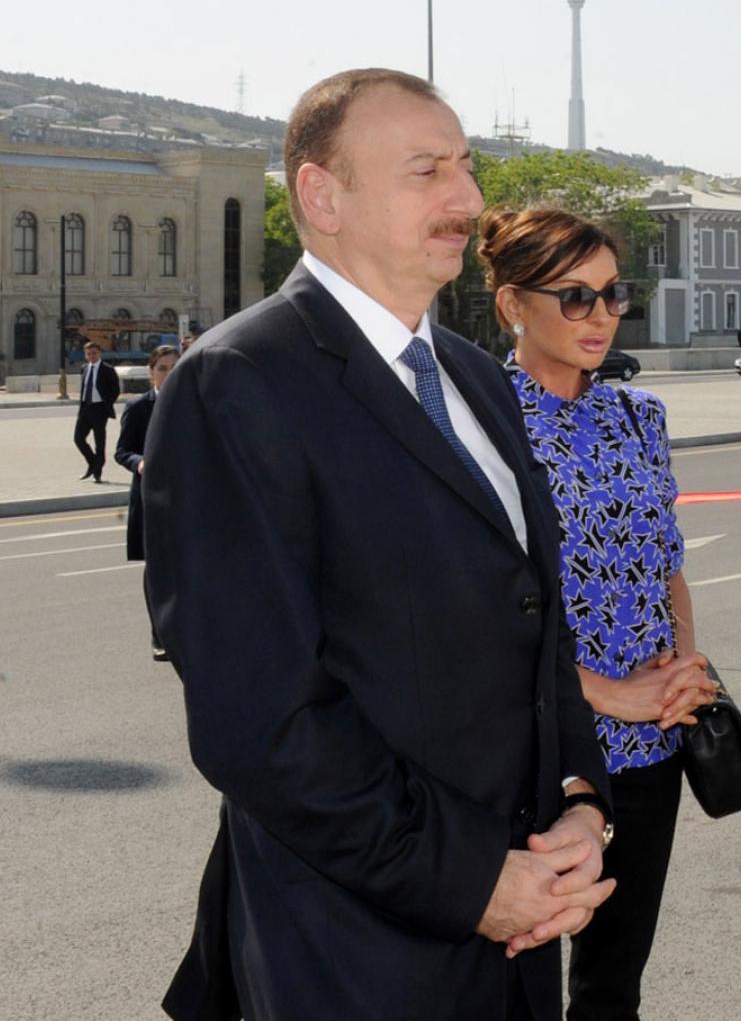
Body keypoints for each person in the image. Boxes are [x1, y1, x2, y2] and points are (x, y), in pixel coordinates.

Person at [147, 68, 617, 1021]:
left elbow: (538, 628)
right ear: (322, 195)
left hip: (521, 928)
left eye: (469, 166)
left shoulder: (480, 382)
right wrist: (471, 879)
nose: (470, 199)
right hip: (355, 945)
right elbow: (261, 720)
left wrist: (580, 801)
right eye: (426, 170)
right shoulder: (239, 382)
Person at [482, 205, 719, 1021]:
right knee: (518, 981)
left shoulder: (637, 416)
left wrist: (685, 671)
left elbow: (667, 565)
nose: (602, 316)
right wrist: (604, 692)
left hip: (650, 746)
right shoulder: (481, 421)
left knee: (614, 982)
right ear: (514, 304)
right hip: (536, 747)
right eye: (575, 297)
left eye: (614, 294)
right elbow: (478, 610)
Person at [115, 343, 177, 658]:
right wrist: (139, 462)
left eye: (173, 367)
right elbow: (122, 450)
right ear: (151, 372)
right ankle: (159, 636)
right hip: (151, 499)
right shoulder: (139, 408)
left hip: (187, 499)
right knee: (156, 570)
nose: (168, 373)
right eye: (162, 368)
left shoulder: (192, 404)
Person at [72, 339, 121, 482]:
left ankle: (97, 473)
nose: (91, 356)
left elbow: (115, 390)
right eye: (88, 354)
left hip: (100, 409)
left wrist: (107, 404)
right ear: (85, 355)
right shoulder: (84, 368)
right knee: (78, 439)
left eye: (94, 353)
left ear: (99, 353)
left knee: (99, 442)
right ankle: (92, 463)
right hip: (85, 408)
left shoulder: (107, 369)